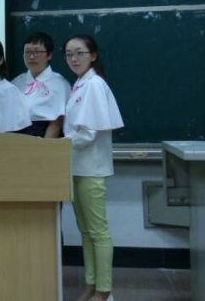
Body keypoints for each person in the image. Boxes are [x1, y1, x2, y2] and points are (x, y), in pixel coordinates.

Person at [63, 34, 124, 301]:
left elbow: (88, 133)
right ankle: (90, 285)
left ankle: (103, 290)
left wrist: (59, 145)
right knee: (86, 231)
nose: (74, 58)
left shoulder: (95, 84)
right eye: (69, 54)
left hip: (91, 169)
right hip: (77, 167)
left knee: (98, 232)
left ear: (93, 55)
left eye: (79, 53)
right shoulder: (79, 84)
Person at [11, 32, 71, 138]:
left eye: (37, 52)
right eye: (27, 52)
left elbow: (57, 122)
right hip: (16, 136)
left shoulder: (59, 84)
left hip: (45, 137)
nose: (31, 56)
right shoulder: (17, 82)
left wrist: (44, 146)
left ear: (49, 55)